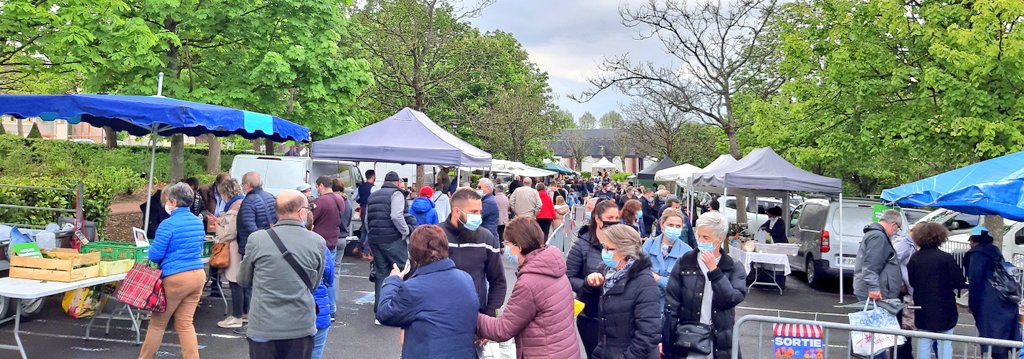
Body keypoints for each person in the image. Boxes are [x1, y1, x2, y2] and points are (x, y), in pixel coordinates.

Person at [238, 189, 326, 359]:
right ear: (301, 213)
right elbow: (314, 283)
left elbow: (243, 279)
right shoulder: (317, 242)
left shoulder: (257, 239)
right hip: (300, 325)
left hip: (264, 326)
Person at [476, 216, 580, 358]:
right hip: (563, 351)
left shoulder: (530, 282)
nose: (506, 248)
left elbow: (503, 329)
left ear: (518, 247)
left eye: (507, 244)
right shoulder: (554, 267)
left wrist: (471, 317)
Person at [376, 225, 479, 359]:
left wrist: (393, 280)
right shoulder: (466, 278)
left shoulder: (413, 288)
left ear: (414, 255)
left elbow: (385, 313)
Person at [663, 211, 747, 358]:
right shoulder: (685, 262)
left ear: (720, 238)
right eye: (699, 235)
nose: (701, 240)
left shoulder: (733, 266)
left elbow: (730, 299)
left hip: (720, 339)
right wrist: (665, 338)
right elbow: (672, 304)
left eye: (706, 237)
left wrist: (714, 271)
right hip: (688, 337)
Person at [139, 183, 206, 359]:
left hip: (176, 276)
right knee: (185, 323)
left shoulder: (167, 225)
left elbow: (155, 254)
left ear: (173, 201)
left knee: (157, 324)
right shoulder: (197, 222)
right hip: (197, 274)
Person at [582, 224, 661, 359]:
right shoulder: (607, 274)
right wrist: (589, 286)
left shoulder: (645, 282)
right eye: (603, 247)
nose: (604, 252)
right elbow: (592, 312)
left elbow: (648, 334)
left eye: (609, 249)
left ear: (625, 251)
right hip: (605, 351)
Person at [442, 188, 507, 317]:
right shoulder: (436, 236)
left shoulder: (486, 238)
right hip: (440, 317)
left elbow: (498, 281)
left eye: (480, 212)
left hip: (475, 317)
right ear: (456, 211)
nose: (478, 216)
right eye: (473, 212)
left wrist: (488, 317)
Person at [566, 199, 619, 357]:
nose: (614, 222)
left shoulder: (623, 243)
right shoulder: (582, 245)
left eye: (617, 219)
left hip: (617, 315)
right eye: (610, 218)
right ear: (597, 218)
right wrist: (588, 283)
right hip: (591, 314)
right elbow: (568, 277)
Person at [907, 222, 966, 359]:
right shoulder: (946, 258)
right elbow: (958, 281)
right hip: (945, 306)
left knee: (923, 343)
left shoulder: (915, 258)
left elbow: (912, 281)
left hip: (922, 305)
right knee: (945, 343)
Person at [964, 227, 1021, 359]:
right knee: (1002, 339)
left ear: (973, 241)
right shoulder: (995, 251)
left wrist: (972, 305)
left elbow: (975, 282)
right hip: (1004, 299)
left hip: (989, 302)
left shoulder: (976, 255)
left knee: (992, 339)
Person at [366, 171, 411, 317]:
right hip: (393, 240)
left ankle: (380, 311)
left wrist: (372, 234)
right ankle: (402, 308)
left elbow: (367, 220)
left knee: (381, 274)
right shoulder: (397, 194)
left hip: (375, 240)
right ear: (397, 182)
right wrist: (405, 231)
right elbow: (396, 215)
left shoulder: (373, 195)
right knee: (404, 271)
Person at [642, 208, 693, 309]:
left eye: (678, 226)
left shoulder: (687, 252)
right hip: (647, 305)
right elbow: (641, 275)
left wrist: (657, 278)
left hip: (672, 309)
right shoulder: (649, 244)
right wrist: (668, 282)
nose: (674, 228)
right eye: (670, 225)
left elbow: (684, 286)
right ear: (662, 225)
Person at [215, 179, 248, 329]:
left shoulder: (234, 208)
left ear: (225, 193)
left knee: (235, 283)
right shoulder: (243, 202)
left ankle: (237, 316)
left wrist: (218, 226)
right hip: (244, 246)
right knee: (243, 283)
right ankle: (245, 313)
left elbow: (229, 233)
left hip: (234, 248)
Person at [853, 210, 903, 302]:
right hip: (874, 292)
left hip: (872, 289)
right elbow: (871, 264)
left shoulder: (875, 234)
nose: (896, 232)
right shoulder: (878, 236)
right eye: (898, 229)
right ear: (893, 225)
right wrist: (874, 288)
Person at [311, 245, 335, 359]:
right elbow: (329, 278)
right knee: (315, 351)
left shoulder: (269, 244)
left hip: (282, 312)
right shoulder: (319, 245)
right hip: (317, 308)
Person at [354, 170, 377, 259]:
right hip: (370, 209)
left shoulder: (360, 187)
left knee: (364, 230)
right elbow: (375, 198)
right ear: (373, 176)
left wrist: (361, 199)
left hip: (362, 209)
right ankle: (366, 252)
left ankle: (357, 247)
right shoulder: (373, 188)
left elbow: (353, 197)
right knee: (370, 230)